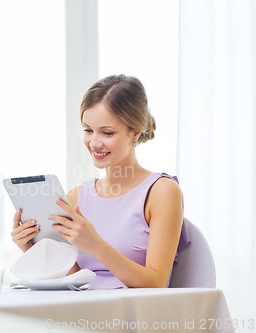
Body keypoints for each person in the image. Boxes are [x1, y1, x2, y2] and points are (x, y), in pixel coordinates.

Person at [11, 74, 189, 288]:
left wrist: (95, 245)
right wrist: (32, 248)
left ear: (134, 133)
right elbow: (76, 278)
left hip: (131, 315)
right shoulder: (76, 197)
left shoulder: (161, 192)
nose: (94, 143)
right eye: (88, 130)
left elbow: (156, 283)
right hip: (83, 310)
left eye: (107, 132)